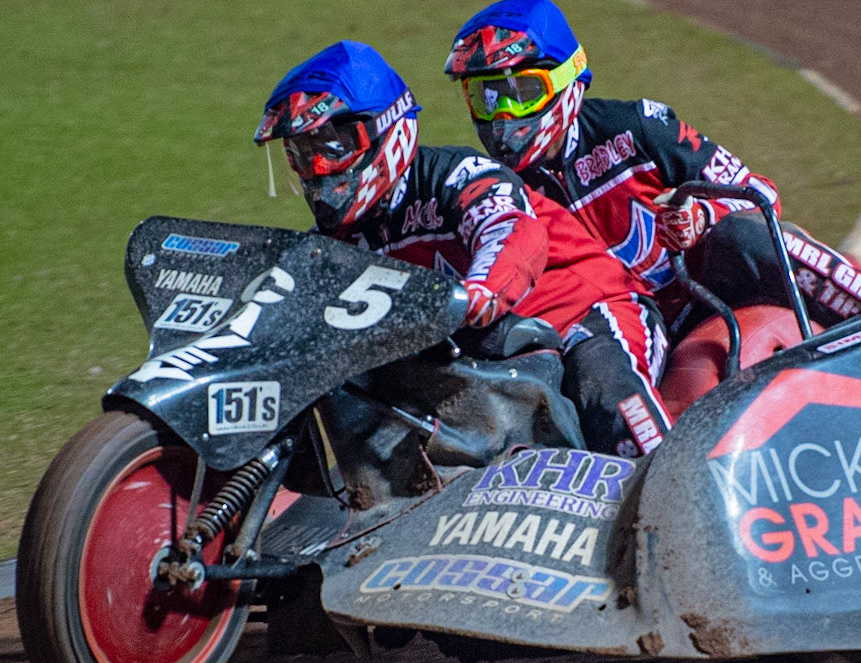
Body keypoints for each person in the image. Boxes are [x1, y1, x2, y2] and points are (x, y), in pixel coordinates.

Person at [254, 40, 670, 456]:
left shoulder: (458, 175)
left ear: (387, 130)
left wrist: (478, 293)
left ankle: (667, 494)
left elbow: (510, 232)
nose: (317, 168)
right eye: (302, 153)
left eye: (332, 146)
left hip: (589, 315)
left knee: (603, 387)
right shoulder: (330, 244)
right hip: (489, 355)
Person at [442, 0, 861, 333]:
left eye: (521, 94)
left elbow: (761, 195)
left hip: (714, 292)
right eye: (484, 98)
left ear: (566, 81)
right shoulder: (496, 194)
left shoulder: (637, 127)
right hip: (638, 339)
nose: (502, 115)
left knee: (745, 232)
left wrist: (704, 214)